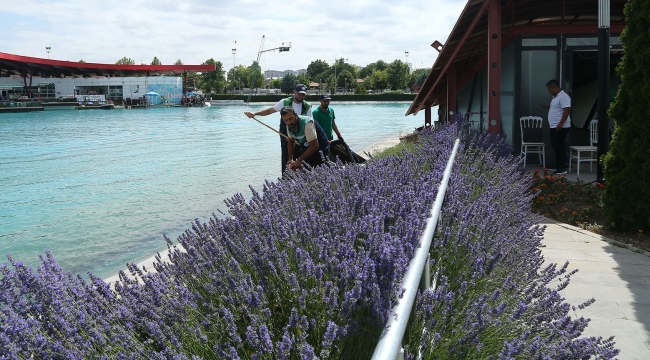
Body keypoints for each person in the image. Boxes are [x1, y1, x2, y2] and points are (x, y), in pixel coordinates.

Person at [244, 84, 313, 174]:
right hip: (286, 137)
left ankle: (303, 182)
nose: (301, 96)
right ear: (294, 92)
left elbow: (310, 124)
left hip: (301, 138)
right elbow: (269, 110)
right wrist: (255, 113)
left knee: (302, 161)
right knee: (286, 160)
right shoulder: (284, 102)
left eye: (303, 94)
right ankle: (285, 182)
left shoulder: (307, 106)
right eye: (299, 94)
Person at [280, 106, 330, 171]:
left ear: (295, 115)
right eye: (286, 120)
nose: (289, 122)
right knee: (304, 174)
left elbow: (315, 146)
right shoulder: (289, 125)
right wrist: (290, 159)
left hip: (321, 149)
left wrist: (299, 159)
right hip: (306, 148)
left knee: (321, 174)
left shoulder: (307, 124)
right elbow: (291, 141)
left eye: (291, 119)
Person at [541, 79, 571, 175]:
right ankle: (558, 165)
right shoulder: (555, 97)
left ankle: (562, 167)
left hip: (560, 126)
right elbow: (558, 108)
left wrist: (561, 123)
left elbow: (566, 110)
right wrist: (548, 107)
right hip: (554, 125)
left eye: (550, 89)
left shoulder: (564, 97)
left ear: (555, 87)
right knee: (556, 146)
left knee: (560, 146)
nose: (549, 91)